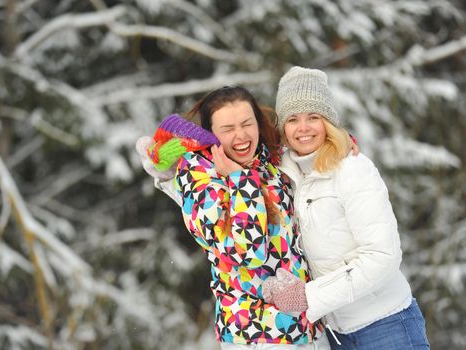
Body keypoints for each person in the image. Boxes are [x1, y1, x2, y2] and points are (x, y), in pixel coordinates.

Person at [137, 86, 330, 349]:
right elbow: (248, 252)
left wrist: (335, 147)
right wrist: (240, 179)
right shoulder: (199, 178)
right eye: (227, 129)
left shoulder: (266, 161)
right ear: (211, 135)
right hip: (256, 334)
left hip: (306, 329)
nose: (240, 135)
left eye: (247, 123)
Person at [262, 66, 430, 350]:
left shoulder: (352, 169)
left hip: (386, 326)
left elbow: (383, 256)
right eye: (293, 119)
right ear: (283, 128)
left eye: (313, 117)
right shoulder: (284, 175)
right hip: (336, 334)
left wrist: (309, 297)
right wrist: (168, 173)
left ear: (328, 122)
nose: (303, 128)